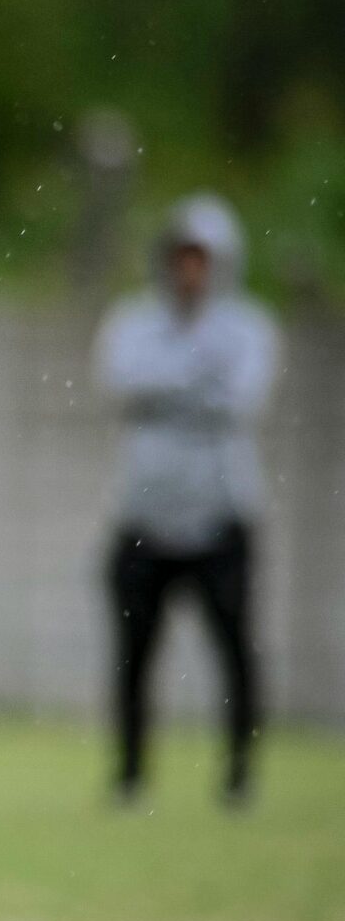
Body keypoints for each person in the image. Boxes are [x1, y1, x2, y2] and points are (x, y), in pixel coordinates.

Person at [97, 194, 279, 807]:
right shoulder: (132, 319)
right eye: (181, 257)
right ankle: (130, 776)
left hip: (221, 515)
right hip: (143, 513)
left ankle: (239, 773)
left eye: (201, 258)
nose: (189, 270)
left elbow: (243, 398)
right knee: (132, 656)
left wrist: (168, 386)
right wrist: (198, 379)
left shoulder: (250, 326)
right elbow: (122, 381)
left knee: (234, 653)